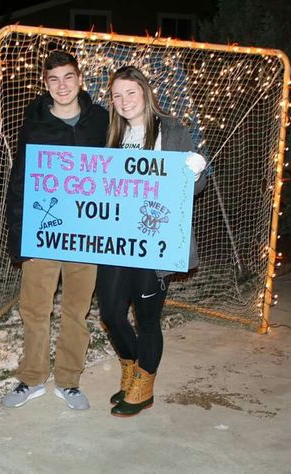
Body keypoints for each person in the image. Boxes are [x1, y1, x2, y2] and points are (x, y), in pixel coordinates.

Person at [95, 66, 207, 417]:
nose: (124, 101)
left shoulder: (172, 130)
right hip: (116, 238)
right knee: (111, 313)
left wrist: (196, 171)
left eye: (130, 92)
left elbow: (194, 188)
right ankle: (131, 365)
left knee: (147, 318)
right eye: (117, 95)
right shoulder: (111, 133)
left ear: (145, 93)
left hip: (155, 239)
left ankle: (144, 384)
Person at [2, 51, 109, 410]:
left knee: (76, 310)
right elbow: (20, 180)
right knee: (35, 308)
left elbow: (121, 171)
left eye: (68, 77)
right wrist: (18, 233)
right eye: (54, 79)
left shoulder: (101, 122)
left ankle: (69, 380)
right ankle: (32, 377)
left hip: (86, 233)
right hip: (43, 229)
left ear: (80, 79)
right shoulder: (34, 125)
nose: (62, 85)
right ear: (45, 85)